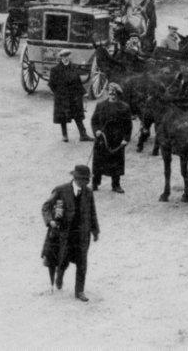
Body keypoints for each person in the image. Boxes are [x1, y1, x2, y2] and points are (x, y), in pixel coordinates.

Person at [40, 165, 100, 301]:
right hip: (65, 234)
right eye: (84, 180)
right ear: (76, 178)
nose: (87, 182)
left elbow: (92, 212)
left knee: (82, 263)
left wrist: (95, 230)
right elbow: (46, 207)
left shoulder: (88, 193)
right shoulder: (61, 190)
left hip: (82, 234)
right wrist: (50, 221)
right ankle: (59, 275)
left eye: (88, 180)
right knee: (64, 259)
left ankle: (79, 291)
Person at [90, 84, 133, 193]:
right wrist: (96, 131)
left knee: (116, 162)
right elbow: (94, 121)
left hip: (116, 139)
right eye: (110, 92)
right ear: (107, 93)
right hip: (102, 139)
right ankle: (95, 183)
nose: (112, 94)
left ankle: (116, 184)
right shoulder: (100, 105)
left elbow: (128, 126)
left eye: (114, 93)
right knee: (98, 162)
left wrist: (126, 139)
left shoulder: (124, 107)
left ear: (118, 94)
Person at [48, 49, 91, 142]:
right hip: (62, 97)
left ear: (69, 57)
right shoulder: (55, 70)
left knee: (78, 116)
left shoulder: (74, 68)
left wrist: (84, 92)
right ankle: (65, 135)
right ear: (61, 58)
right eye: (63, 57)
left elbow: (78, 82)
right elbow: (51, 84)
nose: (66, 58)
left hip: (74, 96)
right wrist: (58, 94)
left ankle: (83, 135)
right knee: (63, 117)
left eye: (67, 56)